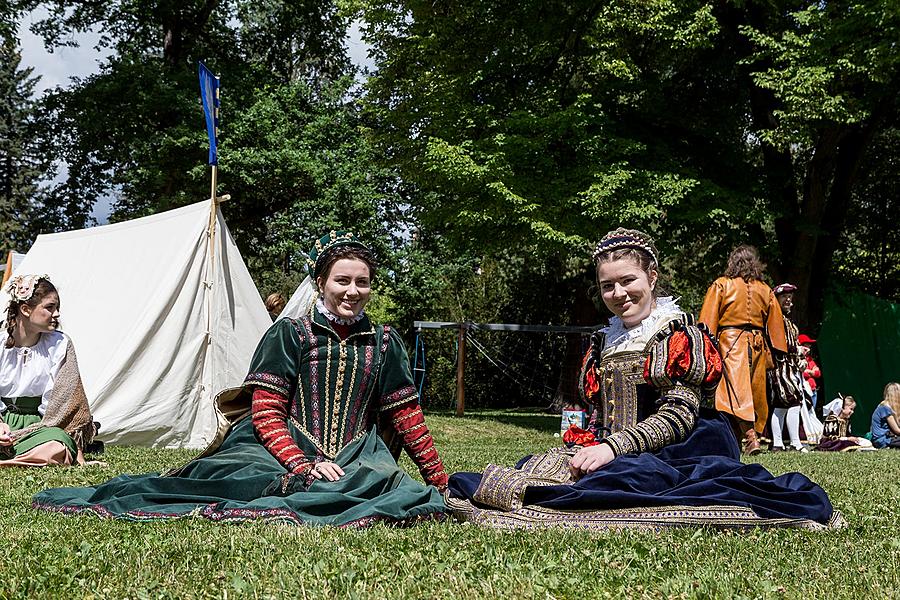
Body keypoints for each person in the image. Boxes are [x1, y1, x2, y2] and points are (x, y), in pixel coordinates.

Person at [33, 232, 448, 526]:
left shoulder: (385, 341)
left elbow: (407, 416)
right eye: (342, 280)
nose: (352, 291)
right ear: (321, 283)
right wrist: (302, 465)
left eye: (362, 282)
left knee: (388, 486)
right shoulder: (290, 334)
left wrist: (441, 481)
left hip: (356, 452)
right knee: (245, 481)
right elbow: (266, 411)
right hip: (284, 446)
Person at [446, 228, 841, 531]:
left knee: (617, 483)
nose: (618, 293)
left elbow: (679, 416)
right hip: (616, 448)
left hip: (676, 450)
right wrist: (589, 446)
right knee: (518, 474)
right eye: (607, 285)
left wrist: (611, 450)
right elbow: (602, 417)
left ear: (651, 276)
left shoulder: (675, 333)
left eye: (627, 280)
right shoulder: (605, 338)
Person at [698, 245, 788, 454]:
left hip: (729, 344)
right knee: (751, 396)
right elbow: (775, 325)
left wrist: (703, 345)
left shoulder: (722, 285)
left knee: (734, 395)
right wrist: (778, 351)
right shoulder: (765, 289)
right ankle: (737, 442)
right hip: (757, 345)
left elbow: (707, 322)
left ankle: (750, 439)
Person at [0, 275, 95, 467]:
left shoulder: (60, 344)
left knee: (57, 444)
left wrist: (78, 455)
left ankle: (13, 458)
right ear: (26, 309)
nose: (57, 314)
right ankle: (22, 458)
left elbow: (67, 403)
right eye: (50, 307)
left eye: (57, 307)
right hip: (3, 423)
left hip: (42, 426)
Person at [768, 283, 807, 452]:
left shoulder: (787, 321)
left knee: (782, 404)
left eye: (790, 296)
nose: (788, 299)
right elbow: (778, 344)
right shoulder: (775, 318)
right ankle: (795, 443)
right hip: (780, 366)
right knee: (792, 400)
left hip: (789, 366)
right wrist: (796, 350)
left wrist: (800, 358)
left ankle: (778, 443)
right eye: (784, 296)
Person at [871, 382, 900, 449]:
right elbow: (897, 430)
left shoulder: (884, 406)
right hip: (883, 440)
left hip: (885, 439)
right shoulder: (885, 408)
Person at [798, 334, 821, 411]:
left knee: (812, 414)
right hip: (804, 391)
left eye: (809, 347)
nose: (809, 349)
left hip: (813, 390)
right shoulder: (797, 359)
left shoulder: (809, 359)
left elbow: (818, 373)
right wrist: (811, 372)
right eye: (806, 347)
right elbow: (801, 373)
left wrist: (809, 372)